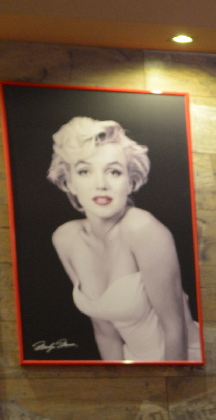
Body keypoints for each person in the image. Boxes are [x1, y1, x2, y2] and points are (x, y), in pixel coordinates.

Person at [47, 117, 200, 363]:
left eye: (114, 172)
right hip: (133, 362)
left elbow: (175, 330)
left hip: (181, 360)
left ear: (130, 181)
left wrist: (167, 383)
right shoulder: (65, 238)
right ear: (70, 183)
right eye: (85, 171)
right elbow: (105, 332)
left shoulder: (142, 228)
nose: (101, 184)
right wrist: (119, 380)